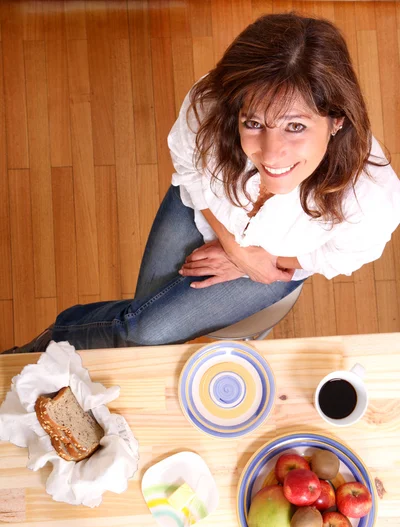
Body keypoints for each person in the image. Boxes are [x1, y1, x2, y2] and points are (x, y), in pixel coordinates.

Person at [4, 11, 400, 353]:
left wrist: (257, 262)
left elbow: (345, 254)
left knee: (142, 331)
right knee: (140, 331)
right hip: (201, 206)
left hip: (275, 262)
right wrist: (233, 247)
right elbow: (189, 168)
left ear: (337, 120)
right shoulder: (211, 104)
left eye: (295, 126)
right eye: (254, 123)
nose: (271, 153)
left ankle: (36, 350)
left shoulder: (373, 194)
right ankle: (41, 356)